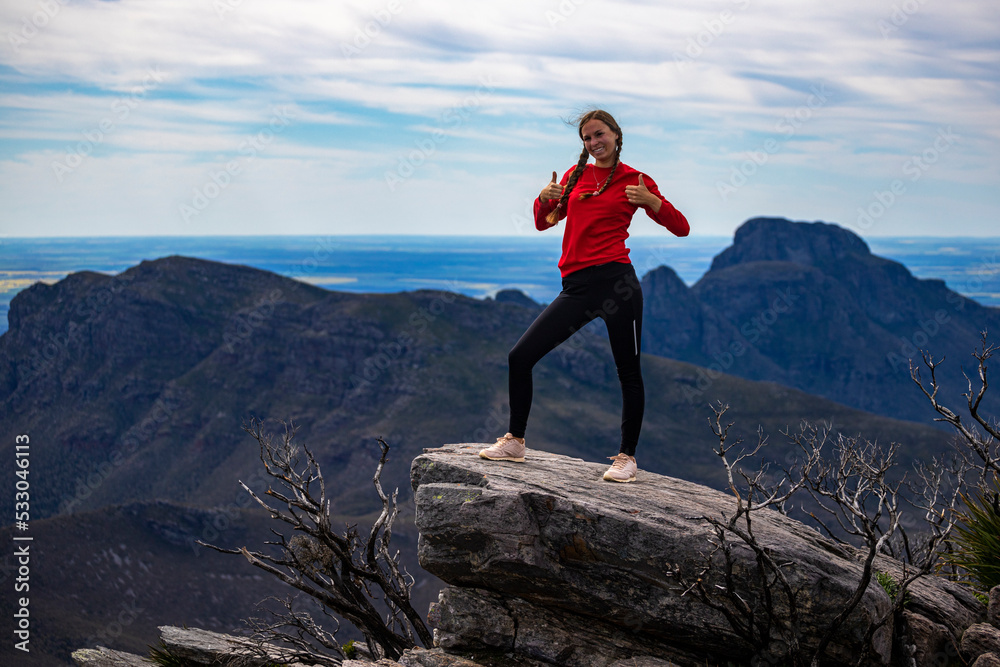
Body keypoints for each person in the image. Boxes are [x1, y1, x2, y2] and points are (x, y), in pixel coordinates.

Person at [478, 109, 690, 482]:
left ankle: (626, 458)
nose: (594, 143)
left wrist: (651, 201)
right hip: (576, 288)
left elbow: (682, 228)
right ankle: (515, 442)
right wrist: (543, 199)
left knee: (628, 372)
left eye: (599, 134)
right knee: (520, 356)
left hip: (618, 285)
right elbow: (545, 222)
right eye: (588, 138)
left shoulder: (635, 180)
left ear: (616, 135)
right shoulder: (577, 177)